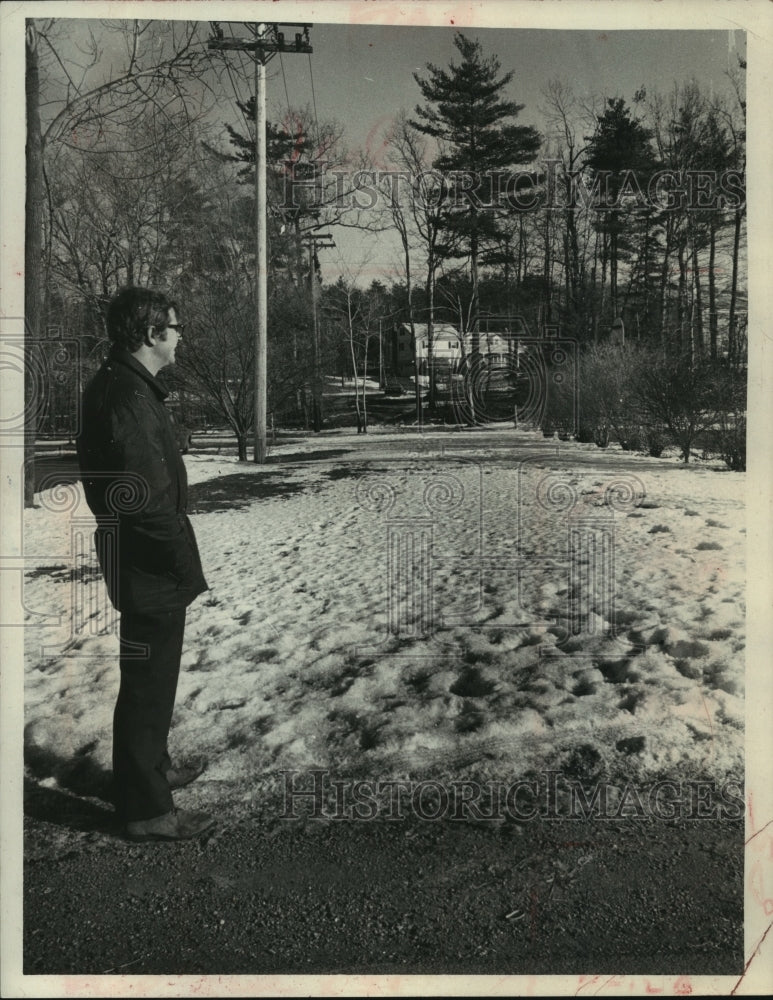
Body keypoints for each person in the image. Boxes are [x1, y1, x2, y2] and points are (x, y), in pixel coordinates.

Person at [77, 286, 214, 842]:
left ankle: (149, 771)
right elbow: (147, 503)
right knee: (146, 684)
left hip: (140, 560)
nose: (180, 338)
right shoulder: (128, 396)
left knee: (151, 679)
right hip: (148, 563)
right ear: (152, 334)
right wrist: (182, 564)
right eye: (175, 328)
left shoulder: (125, 386)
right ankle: (147, 810)